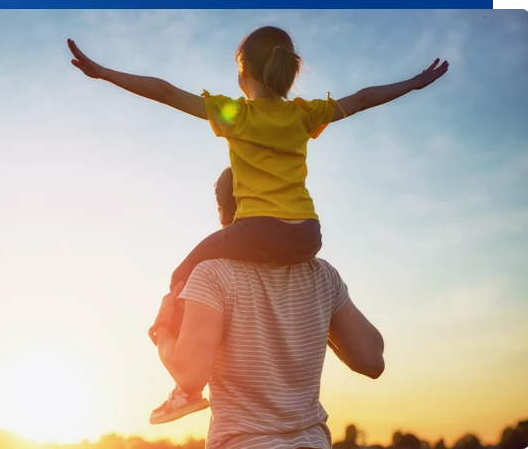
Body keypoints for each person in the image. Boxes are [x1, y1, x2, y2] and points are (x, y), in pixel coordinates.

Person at [67, 27, 448, 420]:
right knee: (229, 264)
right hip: (306, 235)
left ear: (243, 74)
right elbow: (364, 98)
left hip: (257, 231)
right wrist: (415, 83)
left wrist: (107, 73)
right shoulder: (304, 114)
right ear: (286, 72)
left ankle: (187, 389)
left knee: (183, 273)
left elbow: (165, 92)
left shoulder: (237, 114)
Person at [150, 165, 386, 449]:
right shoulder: (322, 275)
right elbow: (372, 359)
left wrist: (161, 330)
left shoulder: (211, 274)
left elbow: (190, 377)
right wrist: (319, 317)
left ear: (223, 211)